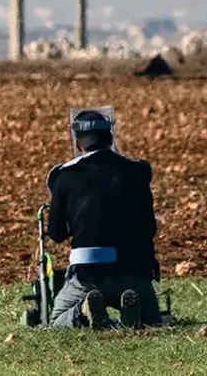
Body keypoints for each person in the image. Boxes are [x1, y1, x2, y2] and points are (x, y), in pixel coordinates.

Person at [46, 109, 162, 329]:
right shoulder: (137, 171)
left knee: (56, 319)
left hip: (88, 274)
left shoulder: (65, 177)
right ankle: (134, 312)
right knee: (153, 320)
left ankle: (83, 310)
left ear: (79, 144)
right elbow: (149, 228)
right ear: (110, 138)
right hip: (132, 270)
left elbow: (56, 233)